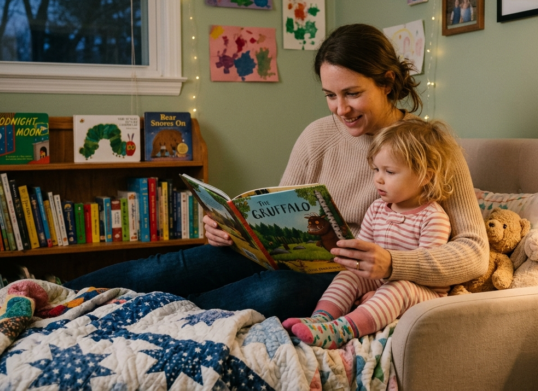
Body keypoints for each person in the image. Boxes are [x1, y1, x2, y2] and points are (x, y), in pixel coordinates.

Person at [64, 24, 488, 321]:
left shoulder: (429, 148)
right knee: (176, 264)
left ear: (388, 81)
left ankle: (161, 314)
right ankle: (58, 296)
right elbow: (278, 212)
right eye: (330, 95)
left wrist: (393, 262)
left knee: (274, 293)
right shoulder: (319, 135)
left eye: (352, 94)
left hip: (347, 276)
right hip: (290, 258)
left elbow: (474, 251)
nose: (340, 109)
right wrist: (232, 227)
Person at [282, 119, 458, 349]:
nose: (378, 178)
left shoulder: (433, 218)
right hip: (381, 281)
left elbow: (427, 272)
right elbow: (361, 257)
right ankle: (321, 320)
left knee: (397, 289)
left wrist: (378, 294)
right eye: (376, 169)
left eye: (390, 171)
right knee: (349, 276)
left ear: (425, 176)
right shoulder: (376, 208)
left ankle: (342, 330)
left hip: (422, 292)